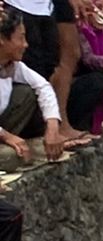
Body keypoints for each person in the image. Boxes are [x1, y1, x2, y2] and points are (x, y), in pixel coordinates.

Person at [0, 9, 66, 163]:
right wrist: (7, 136)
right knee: (10, 159)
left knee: (25, 93)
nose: (25, 44)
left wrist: (52, 127)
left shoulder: (13, 65)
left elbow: (43, 86)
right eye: (21, 38)